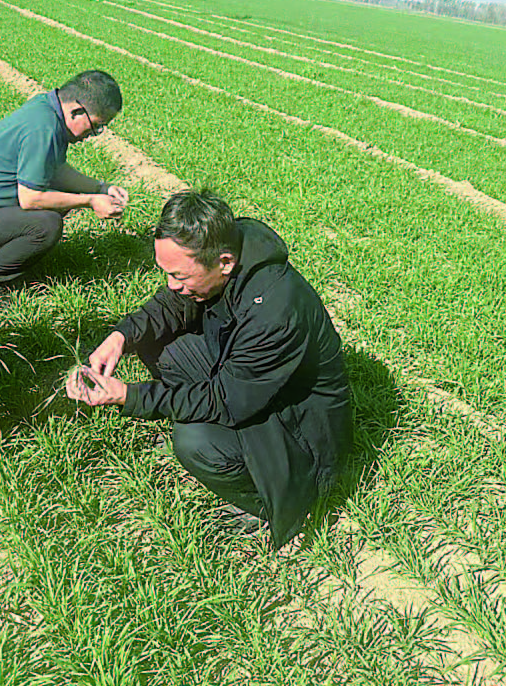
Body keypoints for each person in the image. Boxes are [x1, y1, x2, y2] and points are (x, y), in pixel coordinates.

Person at [66, 190, 351, 547]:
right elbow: (169, 304)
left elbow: (227, 400)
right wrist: (120, 337)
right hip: (254, 382)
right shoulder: (224, 250)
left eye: (179, 275)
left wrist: (128, 396)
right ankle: (205, 423)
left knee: (196, 441)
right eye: (165, 272)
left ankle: (283, 501)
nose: (171, 284)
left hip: (303, 427)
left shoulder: (274, 312)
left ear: (225, 262)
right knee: (155, 340)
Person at [0, 70, 129, 303]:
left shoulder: (47, 109)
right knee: (46, 224)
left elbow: (56, 169)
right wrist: (89, 201)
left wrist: (100, 188)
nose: (94, 134)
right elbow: (31, 198)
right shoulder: (43, 128)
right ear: (77, 111)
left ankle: (7, 257)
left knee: (59, 200)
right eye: (96, 126)